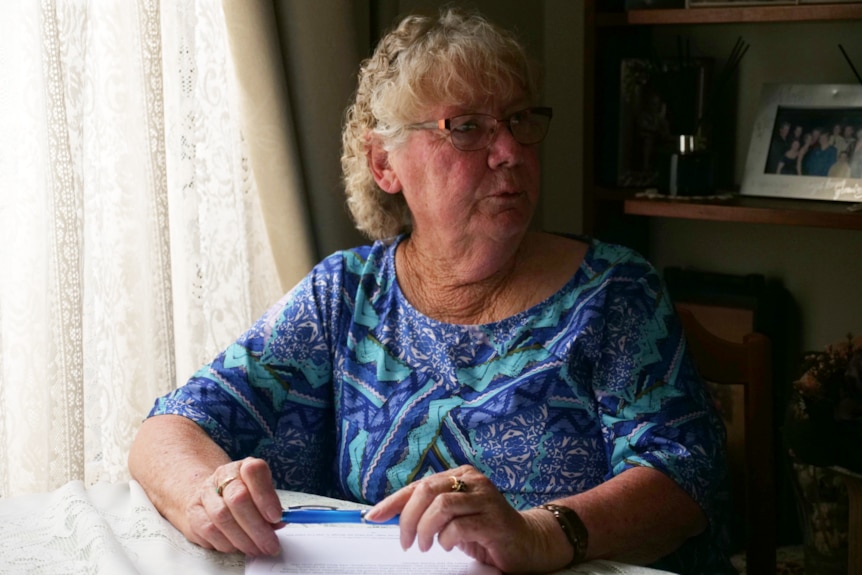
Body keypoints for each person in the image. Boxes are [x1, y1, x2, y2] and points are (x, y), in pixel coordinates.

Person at [129, 8, 732, 575]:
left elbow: (684, 478)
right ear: (384, 164)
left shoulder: (613, 292)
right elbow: (171, 428)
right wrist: (206, 495)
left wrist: (539, 534)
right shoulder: (345, 294)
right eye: (466, 127)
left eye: (521, 120)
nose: (510, 153)